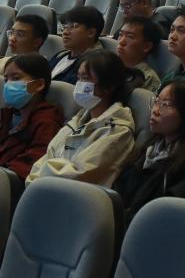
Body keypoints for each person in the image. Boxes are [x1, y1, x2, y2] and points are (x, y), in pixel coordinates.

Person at [113, 79, 185, 221]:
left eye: (166, 105)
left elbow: (168, 214)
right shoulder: (154, 148)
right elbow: (121, 188)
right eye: (157, 102)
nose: (155, 110)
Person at [27, 51, 136, 186]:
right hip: (45, 188)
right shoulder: (77, 120)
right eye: (79, 78)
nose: (79, 84)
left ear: (109, 86)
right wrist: (34, 181)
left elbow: (80, 174)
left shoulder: (118, 131)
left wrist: (40, 177)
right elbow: (46, 158)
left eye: (85, 79)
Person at [0, 54, 63, 181]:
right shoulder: (7, 114)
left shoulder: (47, 121)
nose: (8, 84)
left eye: (16, 78)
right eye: (6, 79)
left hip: (12, 182)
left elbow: (32, 164)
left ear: (38, 85)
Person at [49, 6, 105, 85]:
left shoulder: (95, 65)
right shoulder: (60, 55)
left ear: (91, 33)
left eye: (73, 26)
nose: (65, 32)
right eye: (65, 27)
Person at [116, 15, 163, 92]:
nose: (121, 41)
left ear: (146, 47)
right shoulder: (110, 66)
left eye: (130, 37)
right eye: (120, 34)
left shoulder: (148, 78)